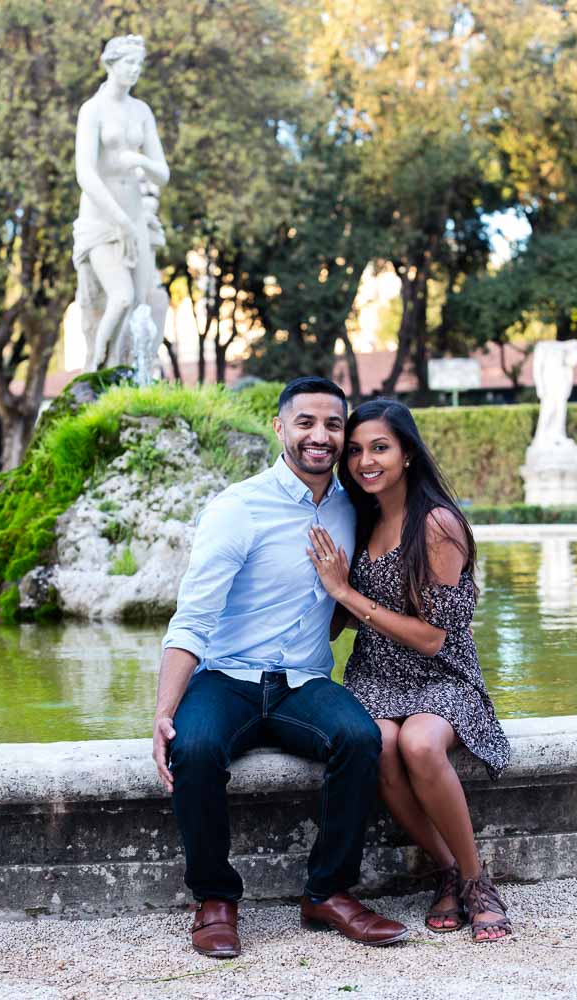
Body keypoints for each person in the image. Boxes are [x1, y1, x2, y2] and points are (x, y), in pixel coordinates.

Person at [153, 377, 408, 958]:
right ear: (280, 428)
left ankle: (328, 892)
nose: (320, 436)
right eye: (306, 423)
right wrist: (164, 712)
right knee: (192, 748)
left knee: (359, 737)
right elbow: (192, 618)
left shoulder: (353, 509)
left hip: (305, 682)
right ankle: (215, 900)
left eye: (333, 425)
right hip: (228, 677)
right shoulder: (237, 508)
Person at [308, 399, 512, 944]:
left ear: (406, 454)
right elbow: (336, 626)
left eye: (379, 448)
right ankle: (445, 868)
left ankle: (476, 881)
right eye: (355, 451)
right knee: (374, 742)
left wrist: (345, 591)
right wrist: (328, 590)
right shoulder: (358, 518)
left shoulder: (437, 524)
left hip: (442, 675)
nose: (364, 461)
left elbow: (432, 637)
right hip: (375, 676)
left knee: (420, 744)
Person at [73, 34, 170, 370]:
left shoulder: (142, 111)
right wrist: (121, 222)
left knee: (139, 303)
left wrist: (140, 161)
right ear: (110, 63)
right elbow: (85, 173)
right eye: (129, 62)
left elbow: (163, 174)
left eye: (139, 64)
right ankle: (94, 367)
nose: (135, 70)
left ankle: (123, 374)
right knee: (121, 297)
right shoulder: (92, 110)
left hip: (134, 214)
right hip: (102, 217)